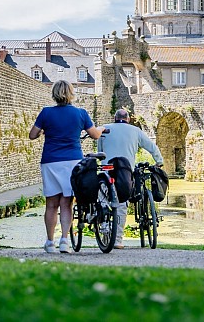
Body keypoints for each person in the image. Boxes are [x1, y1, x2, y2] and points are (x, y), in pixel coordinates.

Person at [29, 80, 105, 254]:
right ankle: (64, 240)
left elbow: (32, 135)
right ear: (71, 93)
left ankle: (50, 242)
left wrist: (42, 131)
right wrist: (100, 128)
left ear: (54, 94)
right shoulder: (81, 113)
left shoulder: (46, 113)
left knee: (51, 204)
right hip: (72, 161)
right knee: (67, 203)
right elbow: (94, 135)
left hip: (50, 161)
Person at [102, 108, 164, 249]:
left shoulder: (105, 129)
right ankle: (117, 240)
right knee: (122, 204)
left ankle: (105, 229)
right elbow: (151, 146)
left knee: (104, 200)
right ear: (128, 119)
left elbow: (101, 150)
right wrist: (159, 161)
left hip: (108, 170)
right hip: (125, 170)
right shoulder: (135, 131)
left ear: (114, 118)